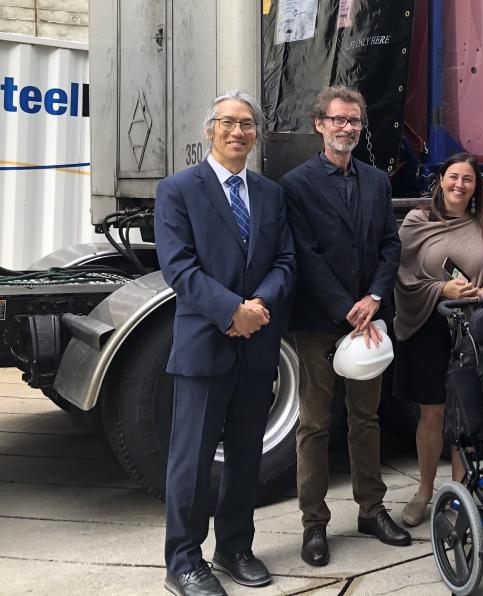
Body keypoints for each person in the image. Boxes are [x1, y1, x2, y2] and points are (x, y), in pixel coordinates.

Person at [155, 90, 296, 596]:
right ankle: (184, 561)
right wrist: (230, 311)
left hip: (256, 344)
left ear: (256, 135)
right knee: (191, 460)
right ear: (209, 129)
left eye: (247, 125)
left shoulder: (270, 193)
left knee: (245, 454)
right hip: (205, 342)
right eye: (228, 123)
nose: (238, 132)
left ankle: (235, 546)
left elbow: (285, 261)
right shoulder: (178, 189)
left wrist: (256, 309)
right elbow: (178, 266)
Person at [281, 85, 409, 567]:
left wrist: (374, 299)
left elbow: (389, 245)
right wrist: (345, 308)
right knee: (313, 424)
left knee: (367, 419)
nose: (347, 127)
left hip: (368, 320)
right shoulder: (296, 184)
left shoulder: (377, 181)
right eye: (338, 120)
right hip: (320, 323)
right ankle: (314, 524)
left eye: (354, 120)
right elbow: (304, 255)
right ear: (319, 124)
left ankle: (371, 511)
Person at [393, 153, 483, 526]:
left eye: (469, 180)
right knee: (433, 411)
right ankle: (425, 491)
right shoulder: (417, 221)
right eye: (453, 177)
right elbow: (405, 272)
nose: (460, 185)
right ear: (441, 179)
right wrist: (444, 288)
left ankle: (461, 493)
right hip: (428, 322)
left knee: (467, 414)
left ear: (477, 187)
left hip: (472, 326)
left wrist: (475, 295)